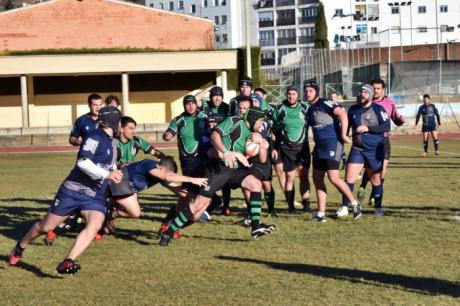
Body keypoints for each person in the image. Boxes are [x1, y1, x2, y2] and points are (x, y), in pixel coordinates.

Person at [9, 106, 123, 274]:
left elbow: (109, 164)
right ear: (114, 121)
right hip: (73, 191)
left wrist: (115, 172)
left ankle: (68, 261)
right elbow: (83, 162)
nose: (121, 124)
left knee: (95, 224)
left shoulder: (113, 142)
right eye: (120, 121)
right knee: (46, 227)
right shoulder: (94, 137)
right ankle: (20, 247)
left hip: (94, 195)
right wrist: (107, 174)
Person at [158, 100, 276, 246]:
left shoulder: (254, 133)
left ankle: (256, 226)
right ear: (253, 119)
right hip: (218, 169)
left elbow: (263, 160)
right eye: (260, 122)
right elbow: (215, 135)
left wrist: (262, 144)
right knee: (197, 205)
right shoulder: (234, 120)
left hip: (235, 169)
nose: (261, 125)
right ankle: (169, 232)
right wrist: (226, 152)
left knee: (255, 183)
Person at [305, 82, 358, 222]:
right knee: (317, 179)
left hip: (332, 144)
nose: (308, 93)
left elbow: (343, 114)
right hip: (319, 147)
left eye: (310, 90)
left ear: (316, 92)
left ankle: (355, 204)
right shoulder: (310, 110)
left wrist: (344, 135)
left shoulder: (324, 103)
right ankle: (321, 214)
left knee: (333, 177)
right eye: (306, 91)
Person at [336, 84, 390, 218]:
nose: (362, 94)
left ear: (370, 95)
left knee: (376, 179)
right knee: (349, 178)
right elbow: (347, 124)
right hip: (357, 149)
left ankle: (378, 208)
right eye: (361, 92)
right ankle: (345, 207)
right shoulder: (353, 109)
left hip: (374, 150)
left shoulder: (378, 109)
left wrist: (368, 128)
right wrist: (345, 135)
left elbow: (387, 126)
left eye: (365, 92)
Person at [107, 157, 207, 222]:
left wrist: (200, 198)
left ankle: (106, 216)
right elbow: (166, 177)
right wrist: (192, 179)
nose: (171, 177)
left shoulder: (159, 176)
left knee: (107, 214)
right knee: (135, 212)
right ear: (164, 169)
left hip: (126, 188)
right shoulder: (149, 164)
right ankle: (110, 214)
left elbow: (178, 190)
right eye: (171, 174)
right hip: (120, 181)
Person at [357, 79, 405, 205]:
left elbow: (395, 119)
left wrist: (400, 120)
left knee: (382, 171)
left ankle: (374, 196)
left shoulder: (389, 103)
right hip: (368, 141)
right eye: (374, 88)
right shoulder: (366, 102)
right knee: (370, 169)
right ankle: (363, 185)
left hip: (383, 141)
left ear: (383, 90)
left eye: (378, 88)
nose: (376, 91)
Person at [272, 85, 310, 213]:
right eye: (289, 93)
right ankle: (291, 207)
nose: (291, 96)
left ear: (298, 95)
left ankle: (306, 205)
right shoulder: (280, 108)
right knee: (290, 177)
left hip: (303, 146)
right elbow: (273, 126)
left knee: (304, 176)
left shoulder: (305, 107)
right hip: (286, 148)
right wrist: (275, 146)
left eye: (294, 93)